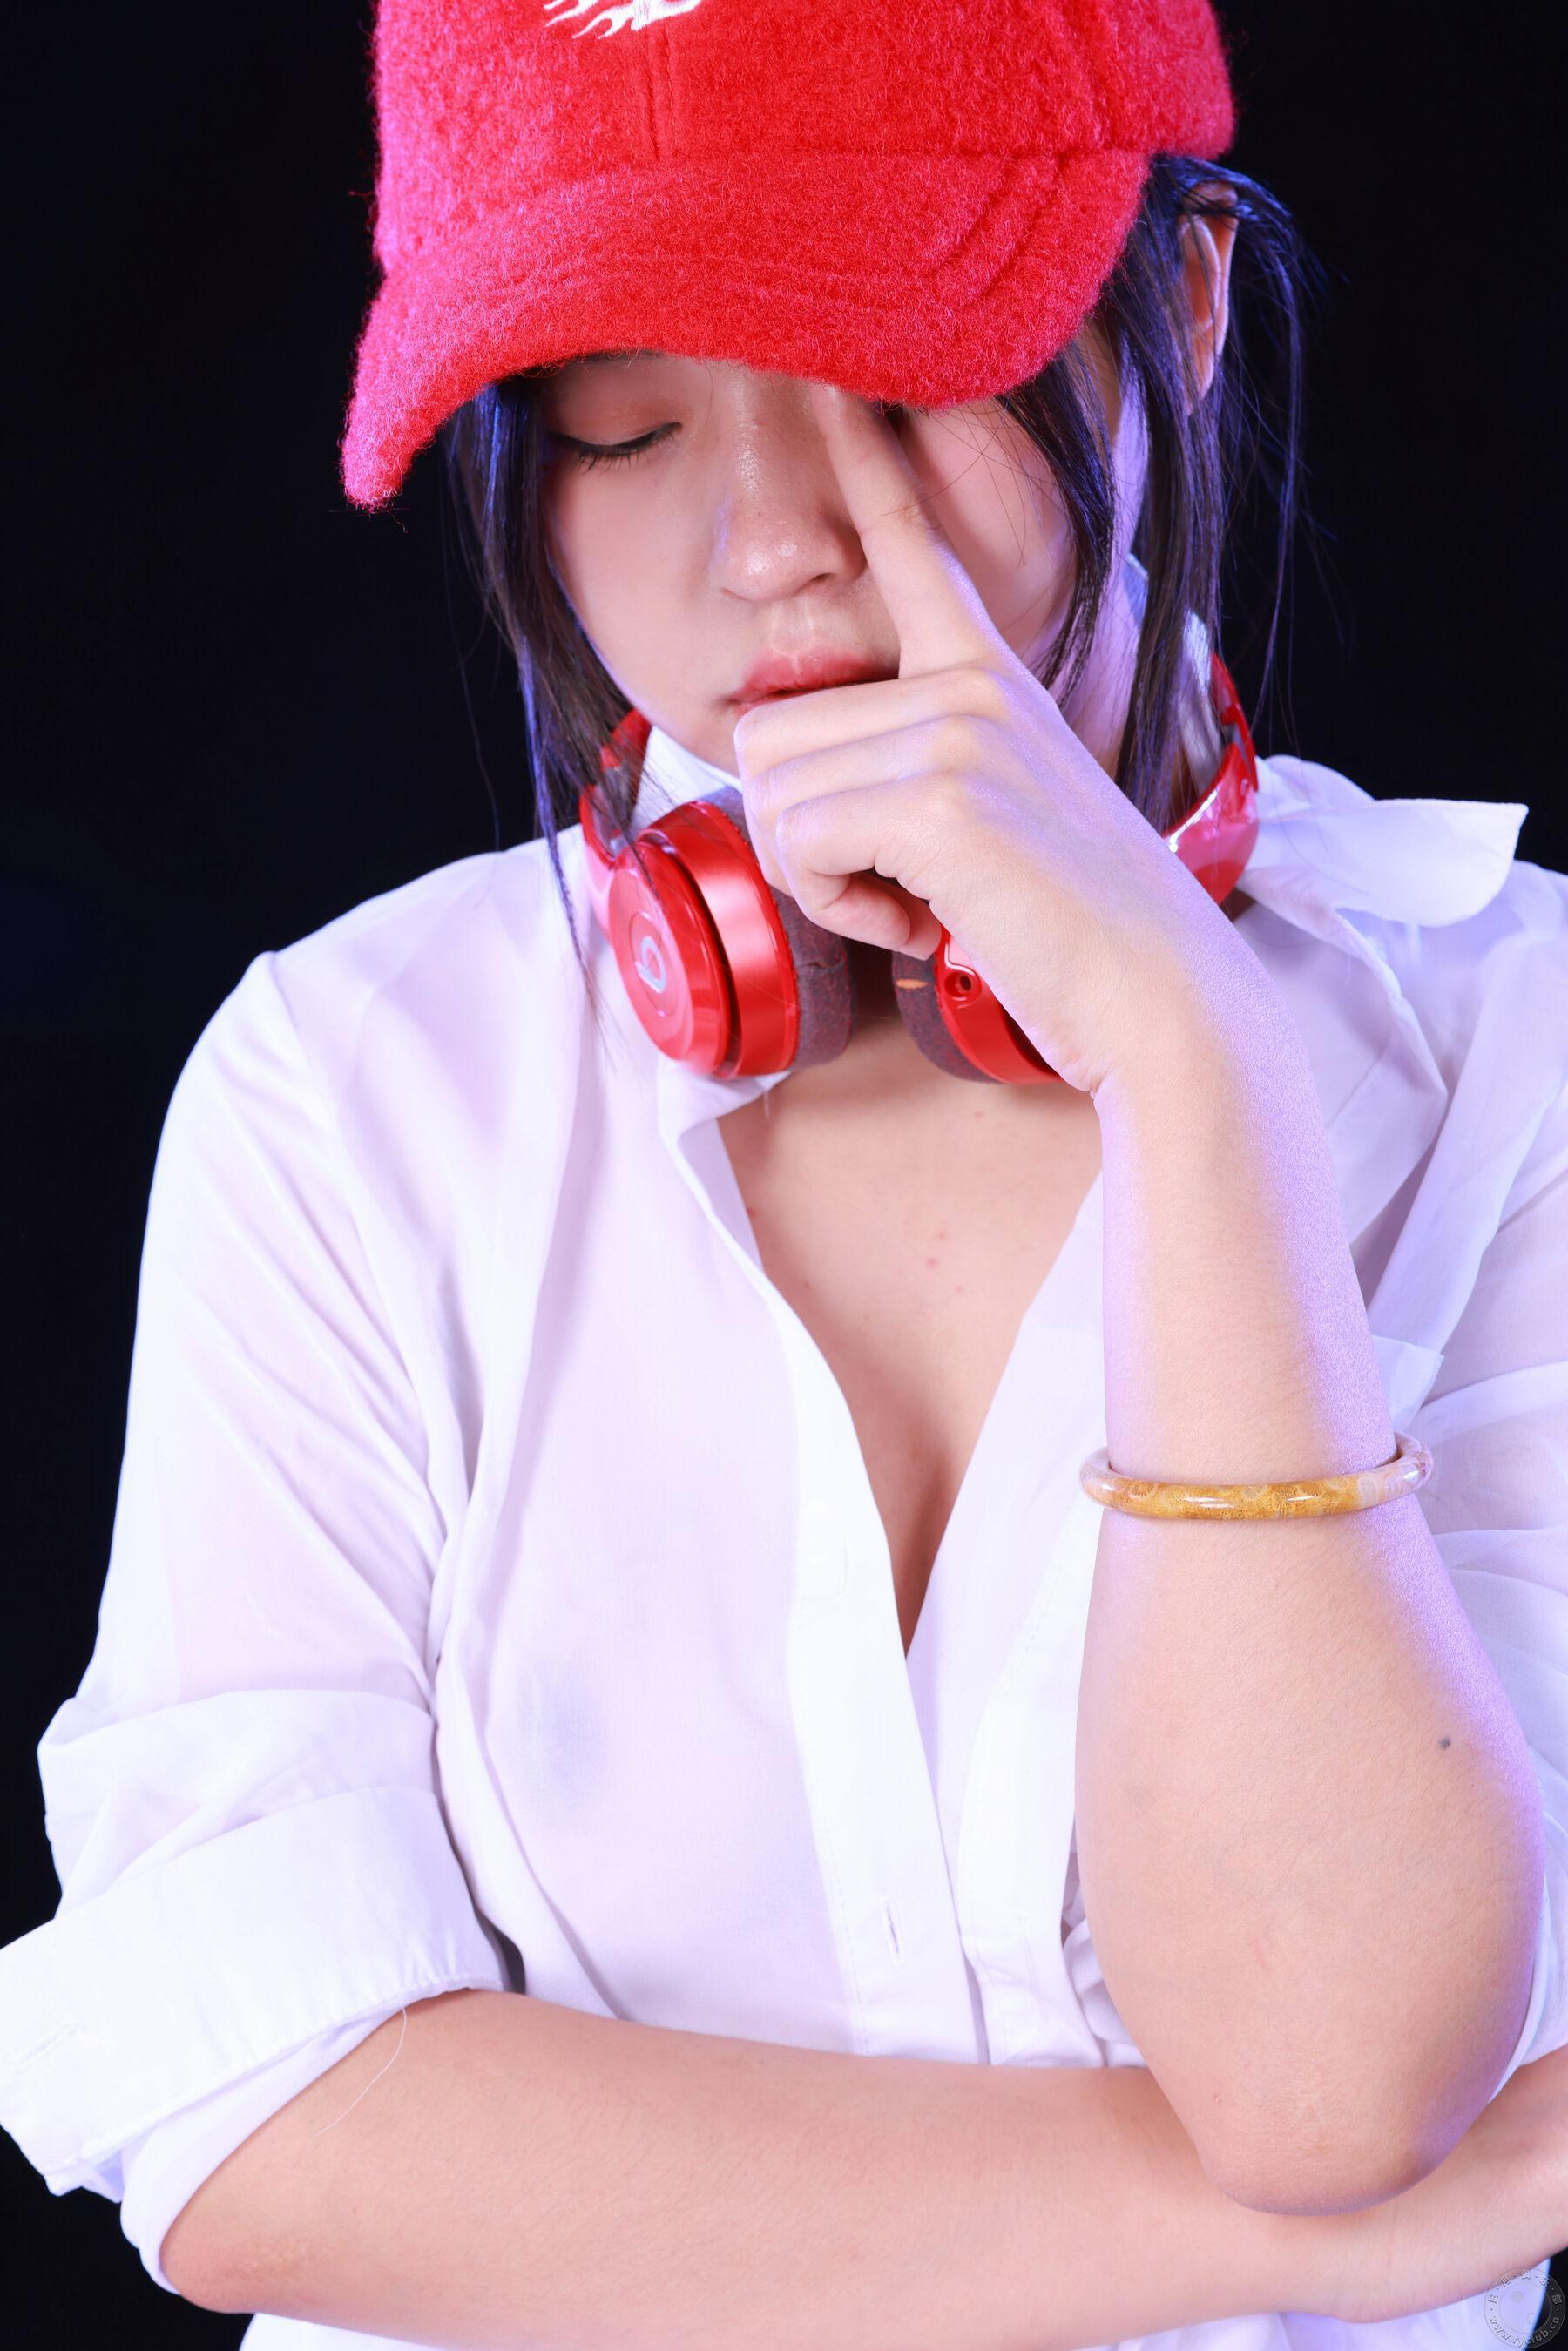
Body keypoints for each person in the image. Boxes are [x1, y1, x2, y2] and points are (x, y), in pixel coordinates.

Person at [1, 0, 1565, 2345]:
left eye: (895, 370)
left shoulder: (1526, 1052)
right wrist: (1293, 2247)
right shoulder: (354, 1090)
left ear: (1187, 303)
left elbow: (1333, 2076)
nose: (772, 550)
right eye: (619, 422)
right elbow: (255, 2129)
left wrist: (1191, 1060)